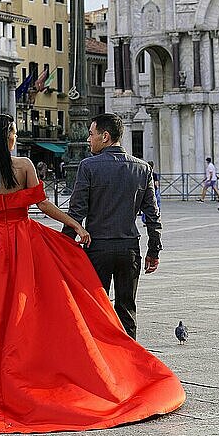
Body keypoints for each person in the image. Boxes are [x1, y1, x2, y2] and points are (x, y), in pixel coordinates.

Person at [0, 112, 185, 435]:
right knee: (29, 315)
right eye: (13, 132)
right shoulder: (23, 166)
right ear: (6, 137)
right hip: (24, 242)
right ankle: (51, 376)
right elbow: (44, 206)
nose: (15, 137)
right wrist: (74, 225)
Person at [62, 113, 162, 340]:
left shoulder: (88, 166)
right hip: (130, 249)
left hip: (98, 249)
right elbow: (152, 215)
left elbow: (76, 212)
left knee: (96, 308)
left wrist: (64, 246)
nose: (88, 139)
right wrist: (154, 250)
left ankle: (102, 363)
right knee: (127, 309)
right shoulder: (142, 168)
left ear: (105, 136)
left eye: (91, 134)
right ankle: (130, 362)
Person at [142, 160, 161, 225]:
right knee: (155, 205)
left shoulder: (145, 173)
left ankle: (144, 220)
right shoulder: (154, 174)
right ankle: (156, 219)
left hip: (146, 190)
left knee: (146, 206)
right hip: (153, 190)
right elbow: (156, 183)